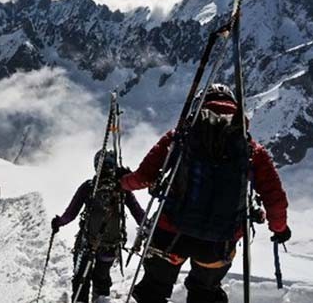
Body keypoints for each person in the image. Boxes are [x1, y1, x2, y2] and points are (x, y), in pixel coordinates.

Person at [120, 83, 290, 303]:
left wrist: (122, 182)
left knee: (153, 291)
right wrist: (280, 228)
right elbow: (274, 197)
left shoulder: (179, 137)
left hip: (170, 233)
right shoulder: (251, 149)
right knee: (205, 293)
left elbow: (143, 177)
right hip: (219, 242)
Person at [53, 149, 145, 303]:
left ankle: (80, 300)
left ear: (96, 166)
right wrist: (151, 227)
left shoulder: (89, 187)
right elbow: (138, 213)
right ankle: (101, 299)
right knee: (102, 278)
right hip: (111, 245)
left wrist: (58, 223)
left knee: (81, 277)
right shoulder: (122, 190)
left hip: (87, 242)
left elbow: (71, 213)